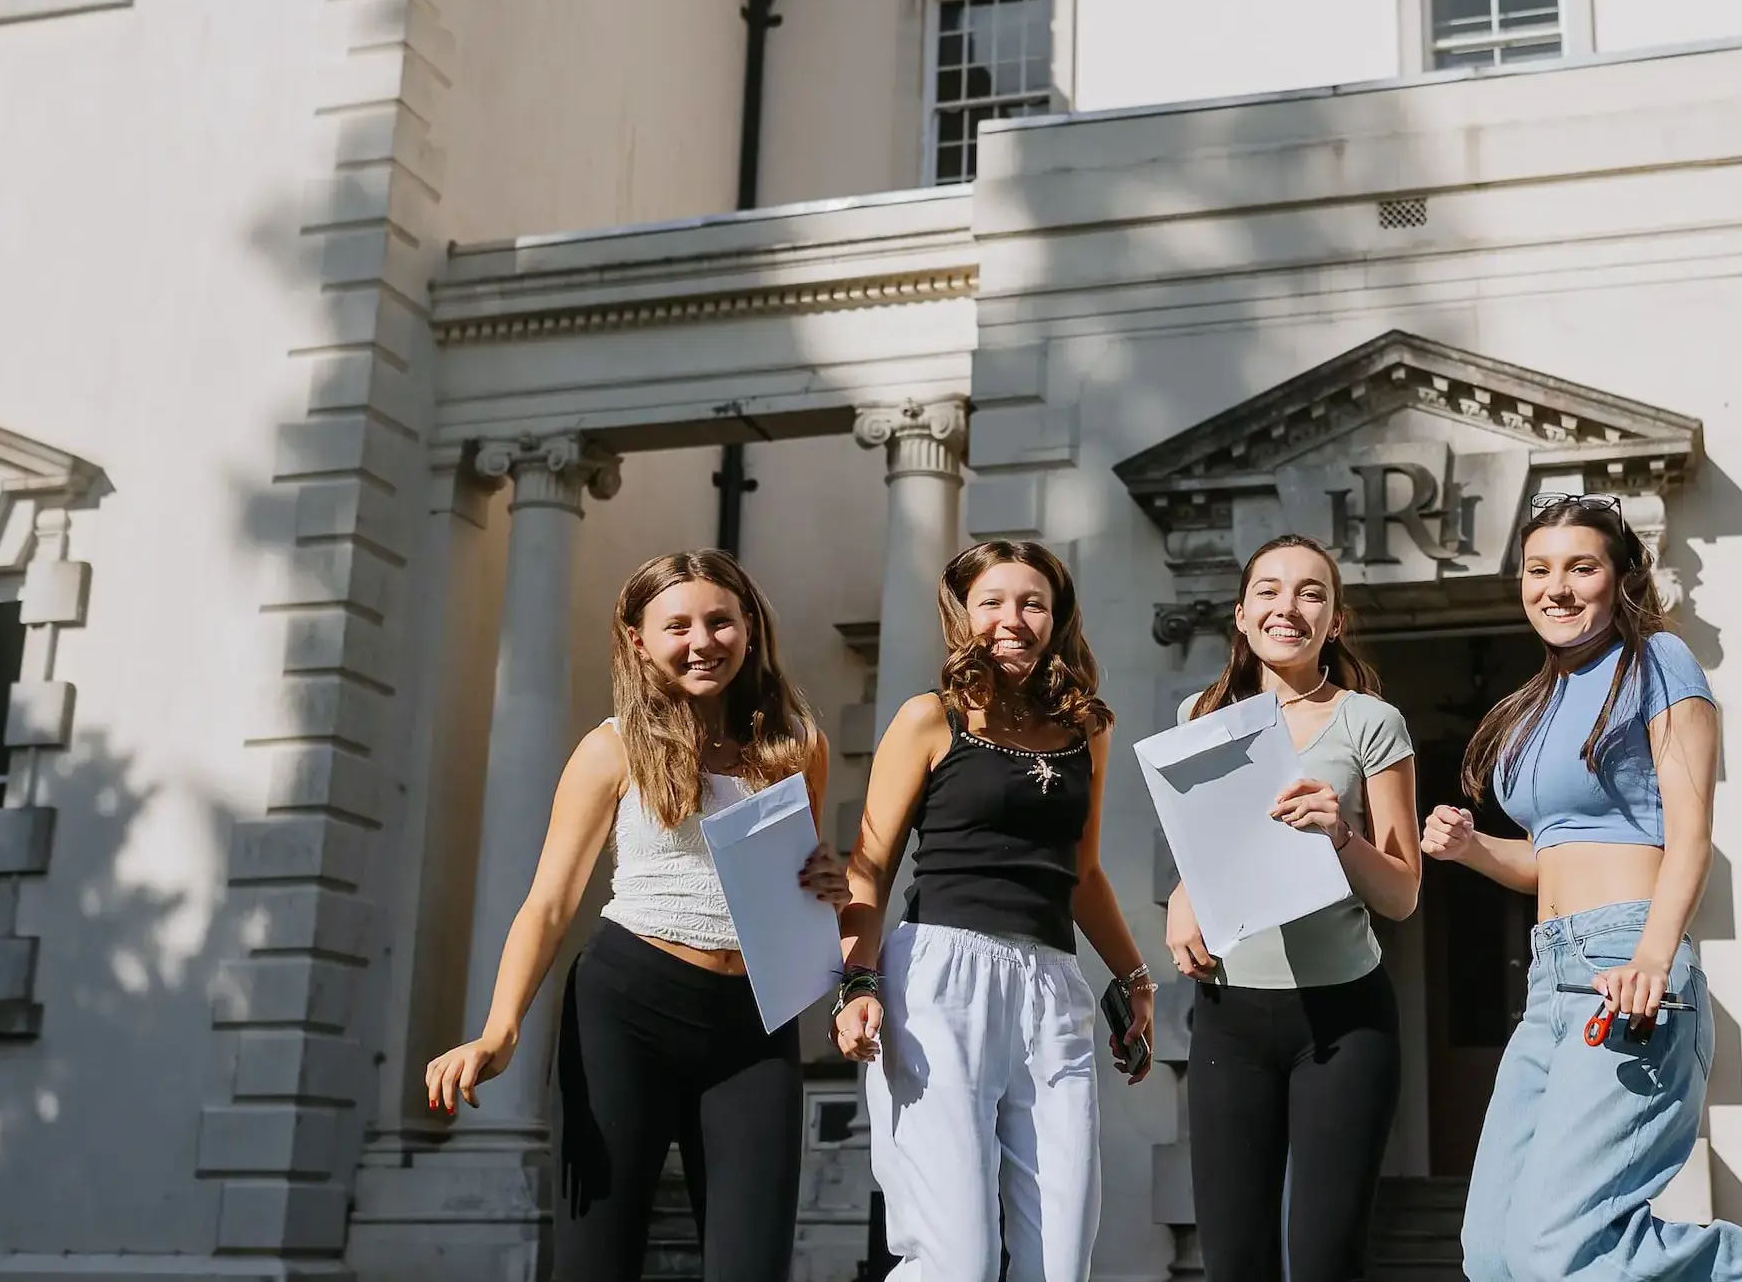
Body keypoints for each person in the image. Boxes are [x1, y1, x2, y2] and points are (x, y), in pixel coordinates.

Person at [1424, 496, 1742, 1282]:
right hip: (1550, 981)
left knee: (1556, 1254)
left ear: (1620, 578)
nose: (1558, 588)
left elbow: (1689, 835)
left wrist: (1652, 953)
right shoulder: (1537, 702)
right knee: (1496, 1254)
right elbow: (1556, 859)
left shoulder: (1657, 663)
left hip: (1626, 968)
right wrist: (1474, 850)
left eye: (1582, 568)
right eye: (1539, 571)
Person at [424, 550, 847, 1282]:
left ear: (749, 626)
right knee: (596, 1261)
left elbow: (793, 889)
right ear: (637, 639)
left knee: (754, 1266)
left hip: (755, 1021)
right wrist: (500, 1029)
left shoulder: (798, 748)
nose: (702, 641)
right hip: (629, 1008)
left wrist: (828, 882)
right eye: (676, 625)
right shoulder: (610, 748)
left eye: (720, 621)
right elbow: (549, 902)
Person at [833, 539, 1157, 1282]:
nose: (1012, 620)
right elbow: (870, 865)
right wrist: (856, 984)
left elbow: (1084, 872)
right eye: (992, 602)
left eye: (1032, 603)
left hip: (1053, 987)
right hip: (939, 980)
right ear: (961, 616)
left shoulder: (1088, 730)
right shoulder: (928, 719)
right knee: (959, 1261)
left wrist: (1135, 976)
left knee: (1061, 1258)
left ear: (1057, 618)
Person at [1164, 534, 1422, 1282]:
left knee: (1324, 1262)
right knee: (1234, 1262)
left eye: (1311, 592)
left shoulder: (1372, 722)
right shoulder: (1199, 716)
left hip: (1344, 1022)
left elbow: (1402, 895)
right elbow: (1202, 859)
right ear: (1241, 616)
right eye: (1269, 591)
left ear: (1334, 620)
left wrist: (1340, 832)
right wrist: (1182, 896)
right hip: (1228, 1017)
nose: (1289, 606)